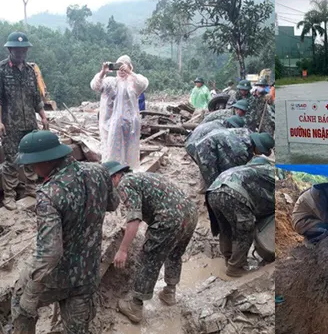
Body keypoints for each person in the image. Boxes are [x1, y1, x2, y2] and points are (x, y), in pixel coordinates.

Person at [11, 130, 119, 333]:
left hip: (57, 278)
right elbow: (113, 204)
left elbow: (50, 252)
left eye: (32, 165)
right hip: (88, 271)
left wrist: (31, 292)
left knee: (19, 300)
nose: (32, 169)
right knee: (77, 326)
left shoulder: (49, 194)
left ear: (45, 161)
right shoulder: (100, 171)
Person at [103, 161, 198, 323]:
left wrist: (123, 249)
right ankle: (169, 292)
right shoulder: (141, 178)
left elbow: (134, 218)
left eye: (107, 183)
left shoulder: (124, 184)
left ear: (116, 176)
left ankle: (135, 306)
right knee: (174, 254)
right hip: (190, 213)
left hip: (169, 219)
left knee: (149, 259)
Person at [0, 32, 49, 210]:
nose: (21, 53)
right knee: (12, 161)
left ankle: (31, 190)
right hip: (10, 125)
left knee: (31, 159)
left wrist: (43, 116)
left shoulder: (30, 71)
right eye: (17, 50)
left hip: (30, 124)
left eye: (24, 50)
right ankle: (10, 196)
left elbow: (36, 97)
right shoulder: (2, 70)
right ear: (10, 49)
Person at [206, 157, 275, 277]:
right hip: (232, 194)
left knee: (225, 228)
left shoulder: (245, 170)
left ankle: (228, 258)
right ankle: (235, 267)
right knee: (245, 232)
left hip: (212, 192)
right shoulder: (270, 171)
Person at [91, 55, 149, 170]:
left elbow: (143, 84)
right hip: (112, 125)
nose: (121, 70)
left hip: (130, 125)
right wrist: (103, 72)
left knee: (129, 152)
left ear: (129, 67)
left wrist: (130, 73)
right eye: (119, 66)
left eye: (124, 66)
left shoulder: (134, 82)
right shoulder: (110, 82)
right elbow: (95, 86)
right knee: (112, 150)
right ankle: (112, 172)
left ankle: (128, 172)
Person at [194, 131, 274, 193]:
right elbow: (230, 170)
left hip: (211, 142)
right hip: (205, 148)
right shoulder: (241, 150)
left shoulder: (247, 133)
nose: (261, 154)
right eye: (262, 151)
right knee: (214, 180)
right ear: (258, 146)